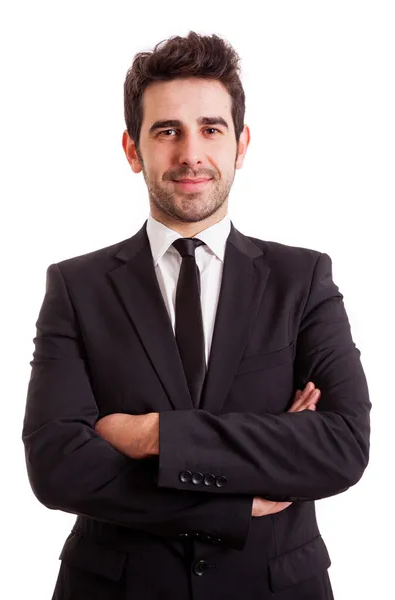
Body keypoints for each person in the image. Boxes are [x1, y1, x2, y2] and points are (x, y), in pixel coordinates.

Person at [22, 31, 371, 600]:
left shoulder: (303, 279)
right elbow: (57, 465)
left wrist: (153, 433)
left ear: (241, 144)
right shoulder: (75, 286)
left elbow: (342, 445)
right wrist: (234, 495)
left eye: (211, 129)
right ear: (133, 150)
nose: (191, 153)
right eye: (167, 132)